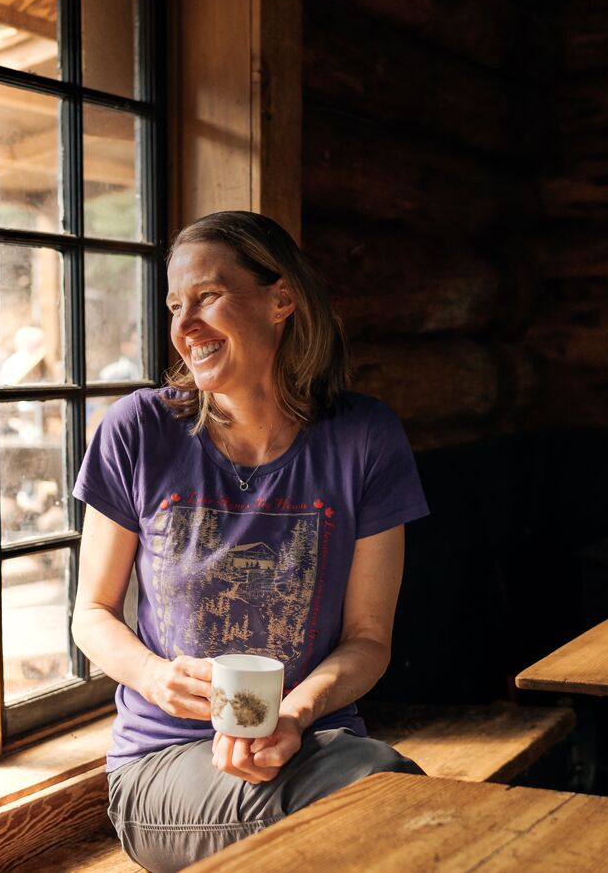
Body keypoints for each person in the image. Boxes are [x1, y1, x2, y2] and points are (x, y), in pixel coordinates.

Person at [71, 211, 430, 871]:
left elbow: (368, 638)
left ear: (280, 299)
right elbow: (90, 613)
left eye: (206, 296)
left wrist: (294, 714)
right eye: (175, 306)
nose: (184, 324)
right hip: (164, 765)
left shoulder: (366, 438)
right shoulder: (137, 431)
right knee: (386, 803)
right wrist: (153, 677)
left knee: (379, 798)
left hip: (317, 747)